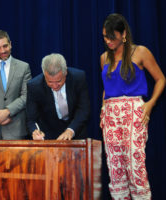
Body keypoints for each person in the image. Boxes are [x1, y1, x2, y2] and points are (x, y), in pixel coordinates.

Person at [100, 13, 165, 199]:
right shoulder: (104, 57)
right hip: (111, 115)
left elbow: (161, 79)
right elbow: (107, 88)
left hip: (134, 113)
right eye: (105, 36)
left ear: (123, 34)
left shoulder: (141, 52)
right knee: (115, 168)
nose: (108, 41)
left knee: (135, 166)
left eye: (111, 37)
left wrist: (150, 104)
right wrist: (102, 110)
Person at [26, 53, 90, 140]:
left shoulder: (78, 78)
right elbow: (31, 118)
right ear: (44, 74)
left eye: (58, 81)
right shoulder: (34, 86)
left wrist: (71, 130)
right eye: (50, 82)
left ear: (65, 72)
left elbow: (83, 109)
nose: (55, 86)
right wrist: (34, 131)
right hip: (49, 135)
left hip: (76, 132)